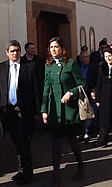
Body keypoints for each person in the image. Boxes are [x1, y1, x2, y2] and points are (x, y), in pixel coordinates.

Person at [0, 40, 40, 185]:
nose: (15, 53)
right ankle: (22, 168)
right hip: (8, 111)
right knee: (15, 141)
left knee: (23, 141)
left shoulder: (29, 67)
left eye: (17, 50)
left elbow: (36, 90)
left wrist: (38, 111)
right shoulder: (2, 68)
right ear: (7, 53)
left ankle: (28, 173)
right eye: (12, 51)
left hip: (24, 111)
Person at [41, 37, 86, 186]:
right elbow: (46, 89)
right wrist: (44, 110)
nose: (53, 49)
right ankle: (56, 174)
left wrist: (71, 92)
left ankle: (80, 165)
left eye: (56, 47)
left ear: (62, 49)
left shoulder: (71, 64)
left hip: (69, 110)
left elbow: (82, 83)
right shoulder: (48, 65)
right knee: (55, 143)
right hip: (55, 111)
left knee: (72, 140)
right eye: (51, 47)